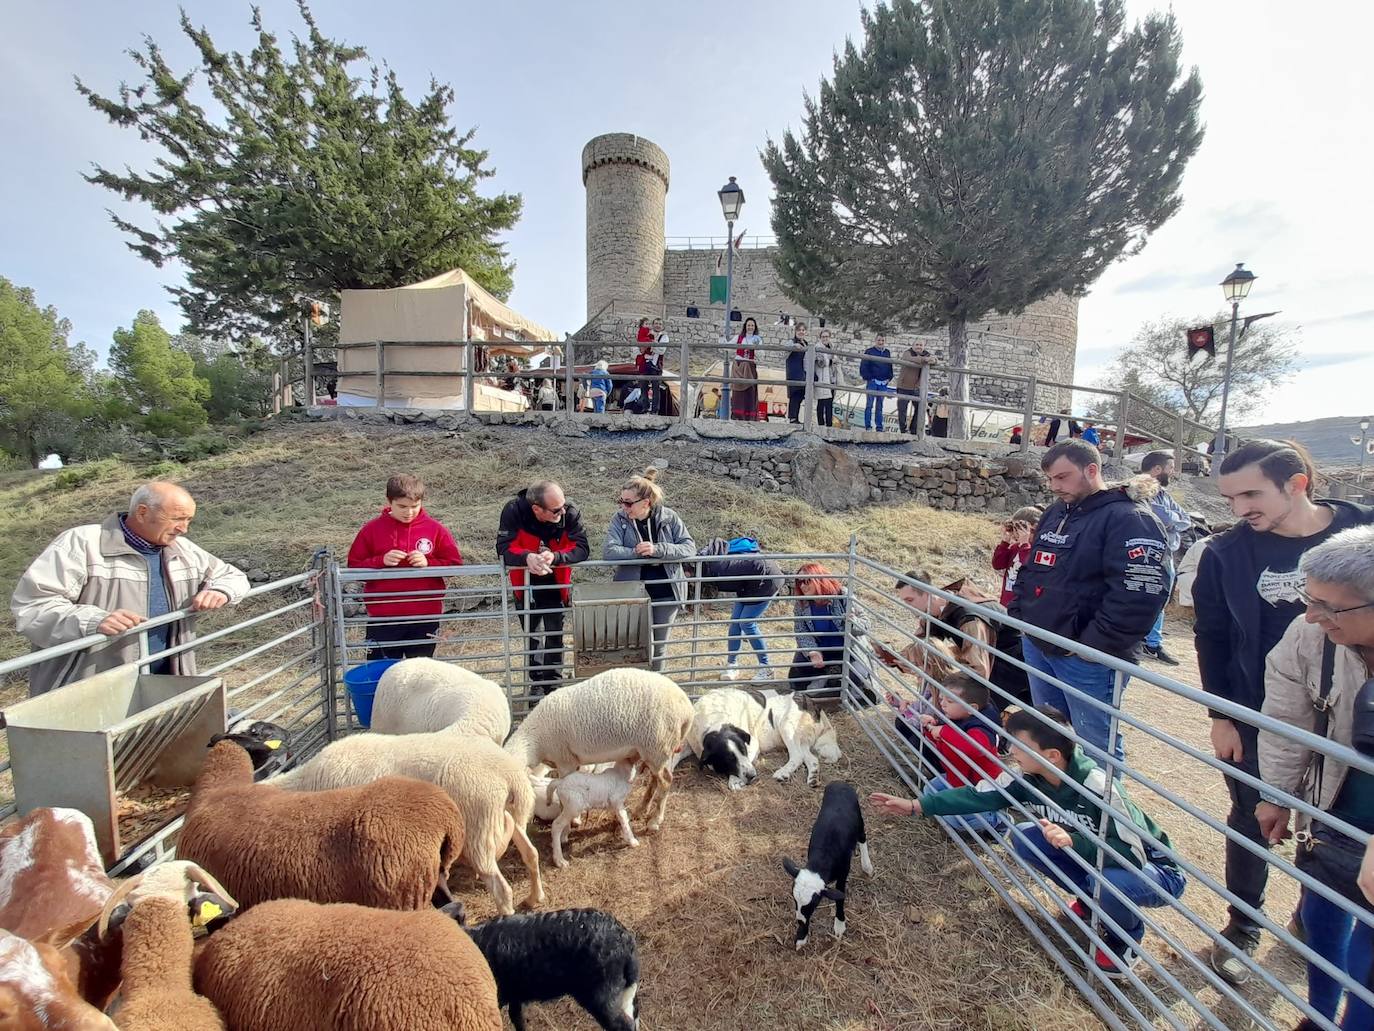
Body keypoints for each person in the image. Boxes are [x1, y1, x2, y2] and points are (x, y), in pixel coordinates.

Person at [1194, 439, 1374, 985]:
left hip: (1356, 712)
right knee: (1253, 815)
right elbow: (1213, 633)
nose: (1239, 509)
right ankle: (1243, 922)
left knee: (1338, 827)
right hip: (1259, 711)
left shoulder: (1361, 534)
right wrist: (1220, 714)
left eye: (1251, 493)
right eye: (1229, 498)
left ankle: (1314, 913)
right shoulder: (1226, 553)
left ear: (1296, 483)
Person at [870, 705, 1187, 978]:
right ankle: (1093, 901)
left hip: (1151, 871)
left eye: (1019, 746)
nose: (1011, 752)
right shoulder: (1028, 777)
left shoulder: (1099, 787)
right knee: (1025, 839)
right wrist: (917, 806)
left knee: (1108, 881)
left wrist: (1077, 842)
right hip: (1099, 862)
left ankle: (1125, 940)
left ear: (1051, 755)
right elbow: (978, 796)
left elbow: (1132, 854)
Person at [1255, 526, 1374, 1029]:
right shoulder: (1309, 637)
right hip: (1332, 809)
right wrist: (1276, 796)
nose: (1311, 614)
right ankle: (1318, 1009)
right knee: (1322, 917)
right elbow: (1286, 718)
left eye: (1330, 606)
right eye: (1310, 597)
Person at [1009, 440, 1170, 762]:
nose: (1055, 487)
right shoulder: (1057, 511)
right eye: (1051, 479)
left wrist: (1090, 646)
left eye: (1062, 478)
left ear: (1091, 470)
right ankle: (1056, 803)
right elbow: (1032, 568)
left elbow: (1139, 593)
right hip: (1040, 642)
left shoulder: (1129, 518)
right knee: (1048, 732)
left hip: (1087, 657)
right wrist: (1020, 615)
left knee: (1096, 744)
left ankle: (1101, 810)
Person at [11, 481, 249, 696]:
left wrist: (221, 591)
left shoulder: (183, 550)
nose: (184, 528)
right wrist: (93, 621)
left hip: (166, 681)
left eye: (188, 520)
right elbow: (32, 606)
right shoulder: (82, 544)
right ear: (143, 512)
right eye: (177, 519)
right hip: (88, 690)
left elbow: (233, 576)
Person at [878, 570, 1032, 712]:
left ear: (927, 593)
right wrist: (896, 659)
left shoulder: (970, 618)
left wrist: (948, 684)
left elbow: (978, 668)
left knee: (982, 710)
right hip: (992, 657)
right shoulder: (937, 609)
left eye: (910, 600)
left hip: (1013, 662)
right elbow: (921, 644)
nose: (907, 606)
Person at [347, 474, 463, 661]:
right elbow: (353, 566)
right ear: (389, 501)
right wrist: (380, 560)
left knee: (419, 672)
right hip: (383, 617)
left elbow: (455, 564)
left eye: (414, 507)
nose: (409, 512)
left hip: (424, 617)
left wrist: (429, 563)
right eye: (402, 506)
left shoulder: (435, 529)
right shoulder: (372, 530)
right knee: (382, 670)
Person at [496, 481, 590, 692]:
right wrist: (526, 557)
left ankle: (554, 686)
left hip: (556, 584)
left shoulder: (570, 512)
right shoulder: (514, 511)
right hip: (525, 585)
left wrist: (556, 557)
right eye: (556, 510)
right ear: (536, 509)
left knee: (555, 635)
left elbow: (582, 548)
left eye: (563, 505)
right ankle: (536, 687)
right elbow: (503, 548)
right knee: (532, 636)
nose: (563, 511)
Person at [604, 468, 695, 673]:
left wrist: (658, 549)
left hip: (666, 591)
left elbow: (689, 547)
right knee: (634, 645)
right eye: (621, 501)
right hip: (633, 594)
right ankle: (636, 690)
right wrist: (638, 552)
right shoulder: (619, 519)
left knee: (659, 647)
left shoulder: (669, 517)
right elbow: (609, 551)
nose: (623, 507)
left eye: (628, 502)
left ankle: (655, 690)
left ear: (645, 502)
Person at [896, 673, 1006, 834]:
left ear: (972, 708)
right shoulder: (955, 717)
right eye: (941, 699)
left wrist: (943, 732)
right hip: (959, 777)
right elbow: (945, 745)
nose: (943, 704)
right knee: (928, 790)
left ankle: (996, 820)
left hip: (980, 787)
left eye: (949, 701)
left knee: (954, 819)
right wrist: (931, 728)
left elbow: (972, 748)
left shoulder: (982, 727)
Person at [696, 533, 782, 681]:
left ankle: (766, 667)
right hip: (748, 582)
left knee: (747, 622)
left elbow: (709, 596)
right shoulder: (711, 564)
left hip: (766, 579)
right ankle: (732, 664)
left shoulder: (716, 570)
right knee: (736, 622)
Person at [789, 561, 876, 702]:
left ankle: (839, 677)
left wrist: (853, 623)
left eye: (806, 581)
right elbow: (800, 629)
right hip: (820, 648)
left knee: (858, 679)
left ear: (818, 580)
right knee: (797, 679)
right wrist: (812, 651)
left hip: (848, 649)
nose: (802, 586)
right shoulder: (801, 603)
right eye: (800, 582)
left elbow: (867, 624)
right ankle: (828, 675)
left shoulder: (843, 595)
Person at [1139, 452, 1192, 666]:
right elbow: (1165, 518)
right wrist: (1172, 520)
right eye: (1170, 467)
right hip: (1149, 553)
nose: (1173, 471)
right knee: (1152, 596)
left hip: (1166, 553)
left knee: (1162, 598)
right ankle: (1150, 642)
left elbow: (1184, 519)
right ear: (1157, 469)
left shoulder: (1164, 495)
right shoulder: (1142, 491)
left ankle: (1152, 640)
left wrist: (1172, 520)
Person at [992, 506, 1043, 607]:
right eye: (1015, 528)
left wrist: (1025, 544)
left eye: (1021, 528)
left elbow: (1029, 567)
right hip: (1006, 603)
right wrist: (1005, 543)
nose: (1017, 533)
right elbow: (997, 564)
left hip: (1023, 607)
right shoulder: (1015, 548)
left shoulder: (1038, 550)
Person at [895, 341, 933, 434]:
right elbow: (909, 358)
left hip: (917, 388)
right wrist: (925, 360)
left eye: (921, 345)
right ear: (913, 346)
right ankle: (903, 430)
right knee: (902, 409)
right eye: (917, 345)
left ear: (924, 347)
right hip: (904, 387)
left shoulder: (927, 354)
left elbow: (935, 360)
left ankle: (913, 429)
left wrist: (929, 359)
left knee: (921, 408)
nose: (919, 347)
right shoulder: (907, 352)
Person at [859, 335, 893, 431]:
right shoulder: (869, 351)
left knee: (880, 405)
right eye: (879, 340)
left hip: (883, 383)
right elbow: (864, 366)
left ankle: (879, 427)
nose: (881, 342)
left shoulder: (887, 352)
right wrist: (869, 378)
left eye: (883, 340)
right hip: (873, 382)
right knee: (869, 405)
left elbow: (890, 366)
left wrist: (889, 378)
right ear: (875, 341)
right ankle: (868, 426)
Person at [731, 318, 762, 422]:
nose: (750, 327)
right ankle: (737, 415)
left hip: (749, 366)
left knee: (750, 391)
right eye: (748, 325)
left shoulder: (757, 339)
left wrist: (757, 346)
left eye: (752, 325)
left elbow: (761, 354)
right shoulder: (738, 338)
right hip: (738, 366)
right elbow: (728, 346)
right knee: (738, 392)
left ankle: (749, 416)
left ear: (755, 327)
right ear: (745, 326)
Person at [813, 330, 839, 428]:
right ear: (820, 337)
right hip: (822, 377)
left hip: (831, 378)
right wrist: (832, 360)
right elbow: (821, 363)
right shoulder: (818, 347)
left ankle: (829, 424)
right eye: (823, 337)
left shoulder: (831, 347)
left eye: (827, 336)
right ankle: (820, 424)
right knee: (821, 402)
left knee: (829, 402)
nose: (825, 338)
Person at [785, 321, 809, 424]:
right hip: (794, 371)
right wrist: (793, 347)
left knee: (800, 396)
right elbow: (784, 353)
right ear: (795, 331)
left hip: (803, 373)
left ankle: (796, 417)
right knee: (794, 395)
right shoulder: (791, 342)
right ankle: (792, 418)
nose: (801, 332)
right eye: (799, 330)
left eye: (803, 330)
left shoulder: (806, 344)